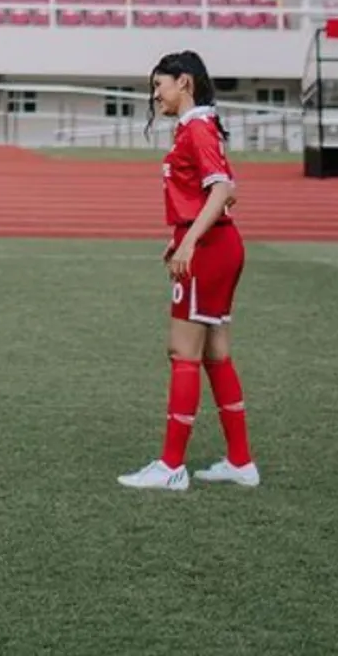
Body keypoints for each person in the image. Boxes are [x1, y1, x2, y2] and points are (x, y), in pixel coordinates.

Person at [118, 50, 259, 492]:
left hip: (210, 250)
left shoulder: (196, 127)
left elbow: (220, 190)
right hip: (220, 246)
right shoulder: (203, 124)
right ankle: (240, 462)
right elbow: (227, 189)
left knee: (183, 353)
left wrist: (191, 239)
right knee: (216, 354)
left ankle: (171, 466)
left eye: (160, 85)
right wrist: (180, 232)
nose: (155, 95)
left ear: (185, 83)